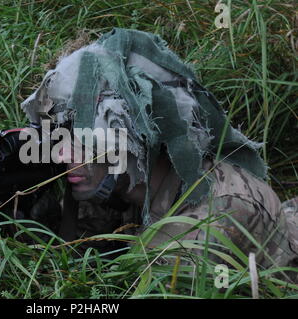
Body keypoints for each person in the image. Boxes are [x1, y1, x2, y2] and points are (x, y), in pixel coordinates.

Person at [21, 28, 298, 282]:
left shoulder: (207, 219)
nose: (60, 154)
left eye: (81, 137)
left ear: (136, 138)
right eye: (58, 135)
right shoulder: (122, 181)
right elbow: (74, 241)